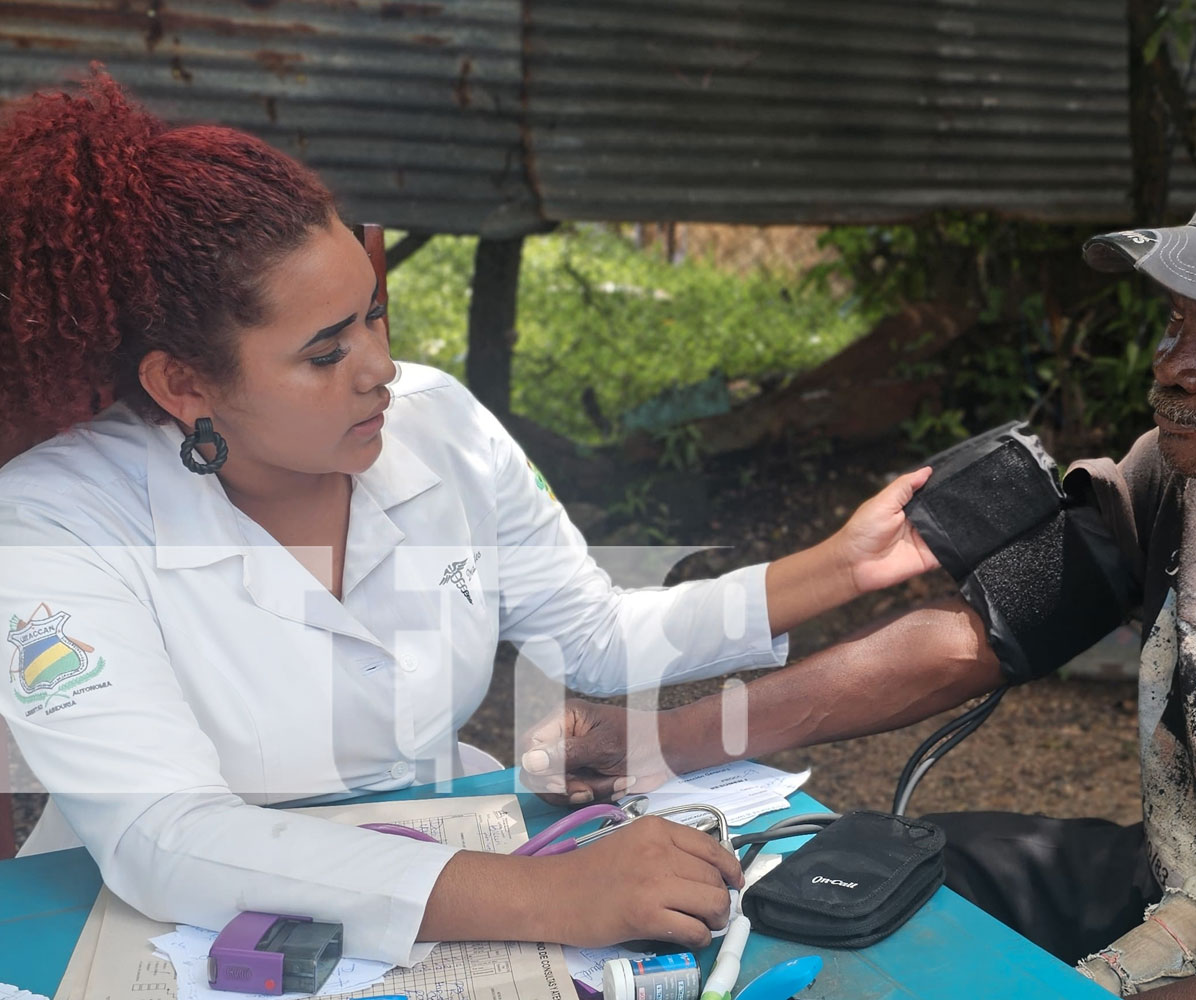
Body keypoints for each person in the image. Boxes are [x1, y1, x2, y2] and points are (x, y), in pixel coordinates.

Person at [521, 115, 1196, 999]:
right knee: (829, 881)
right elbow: (971, 640)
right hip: (1185, 891)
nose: (1173, 364)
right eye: (1177, 322)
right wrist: (659, 741)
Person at [0, 69, 940, 965]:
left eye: (374, 315)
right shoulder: (55, 523)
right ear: (184, 383)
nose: (380, 369)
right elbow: (164, 837)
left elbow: (592, 636)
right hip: (144, 935)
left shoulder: (435, 422)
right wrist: (556, 897)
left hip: (438, 860)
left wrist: (838, 567)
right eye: (325, 352)